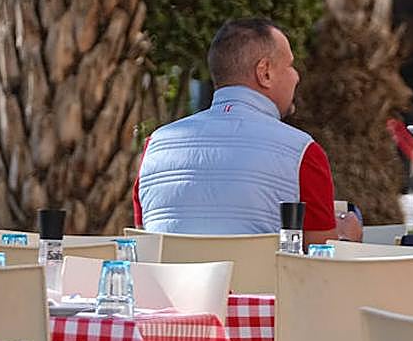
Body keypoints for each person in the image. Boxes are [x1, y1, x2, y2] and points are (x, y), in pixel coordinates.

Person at [134, 18, 361, 242]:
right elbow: (322, 265)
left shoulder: (155, 147)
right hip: (263, 280)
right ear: (265, 72)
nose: (297, 76)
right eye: (290, 65)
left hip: (170, 280)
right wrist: (346, 239)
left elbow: (145, 244)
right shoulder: (302, 153)